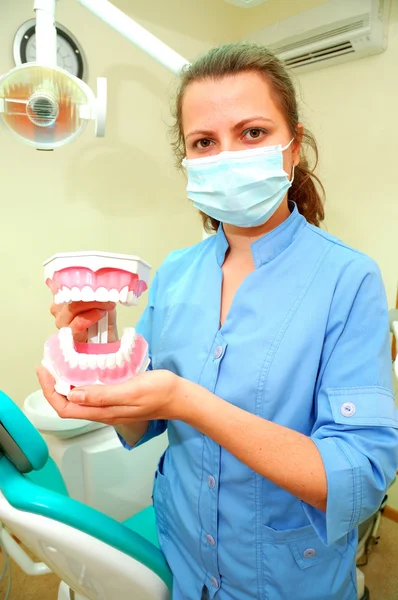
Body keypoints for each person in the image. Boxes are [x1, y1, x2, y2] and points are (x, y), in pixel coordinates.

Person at [37, 42, 398, 600]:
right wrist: (92, 359)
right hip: (184, 561)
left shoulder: (348, 281)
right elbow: (145, 423)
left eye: (252, 133)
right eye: (205, 142)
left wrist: (188, 401)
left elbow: (359, 479)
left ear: (293, 146)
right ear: (187, 158)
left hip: (286, 579)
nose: (227, 156)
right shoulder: (178, 273)